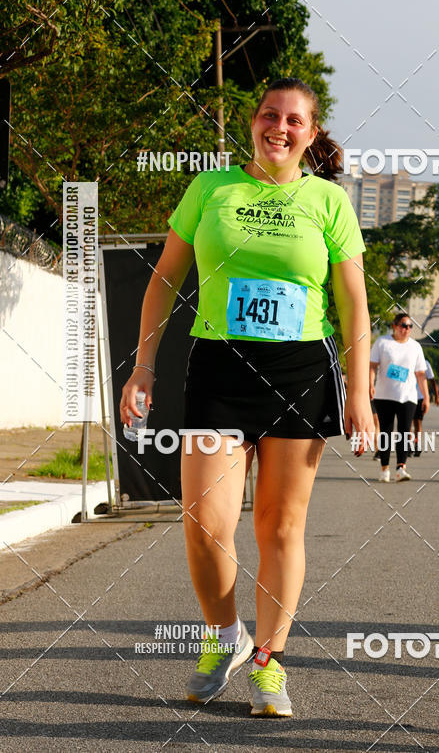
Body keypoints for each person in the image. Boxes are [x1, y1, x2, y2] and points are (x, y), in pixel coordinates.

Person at [120, 77, 374, 718]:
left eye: (294, 120)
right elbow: (162, 282)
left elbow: (353, 304)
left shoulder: (328, 202)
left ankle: (269, 663)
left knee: (280, 526)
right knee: (205, 524)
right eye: (269, 115)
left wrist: (362, 395)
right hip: (218, 369)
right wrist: (143, 366)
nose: (279, 128)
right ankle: (223, 634)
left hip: (300, 372)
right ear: (252, 122)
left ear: (311, 134)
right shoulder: (210, 190)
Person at [369, 313, 429, 482]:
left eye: (410, 326)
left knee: (404, 432)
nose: (406, 329)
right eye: (403, 325)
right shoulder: (382, 343)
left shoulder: (415, 347)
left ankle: (401, 468)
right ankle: (384, 469)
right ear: (394, 326)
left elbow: (420, 373)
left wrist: (426, 397)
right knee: (386, 432)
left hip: (408, 396)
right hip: (384, 395)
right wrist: (370, 384)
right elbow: (372, 366)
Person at [412, 358, 439, 457]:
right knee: (408, 423)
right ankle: (408, 445)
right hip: (407, 397)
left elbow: (432, 380)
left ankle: (417, 444)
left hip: (420, 397)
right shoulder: (405, 358)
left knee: (417, 422)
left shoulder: (425, 363)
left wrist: (437, 396)